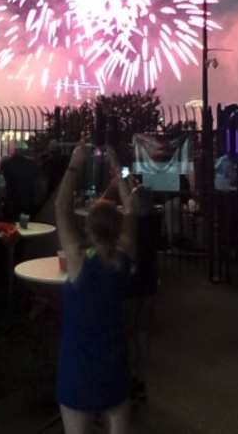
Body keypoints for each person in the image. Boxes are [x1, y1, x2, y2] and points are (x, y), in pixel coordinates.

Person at [56, 141, 133, 434]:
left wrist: (75, 165)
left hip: (78, 370)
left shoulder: (78, 263)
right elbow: (131, 211)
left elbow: (61, 208)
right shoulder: (124, 260)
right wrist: (119, 171)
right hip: (115, 368)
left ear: (87, 228)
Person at [125, 184, 158, 404]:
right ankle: (140, 379)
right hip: (150, 278)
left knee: (127, 330)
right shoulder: (156, 222)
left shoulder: (131, 225)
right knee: (143, 331)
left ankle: (127, 379)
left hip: (130, 282)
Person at [1, 146, 43, 222]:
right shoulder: (32, 164)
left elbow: (3, 183)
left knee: (8, 227)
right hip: (27, 201)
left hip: (11, 201)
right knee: (26, 226)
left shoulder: (7, 164)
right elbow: (38, 184)